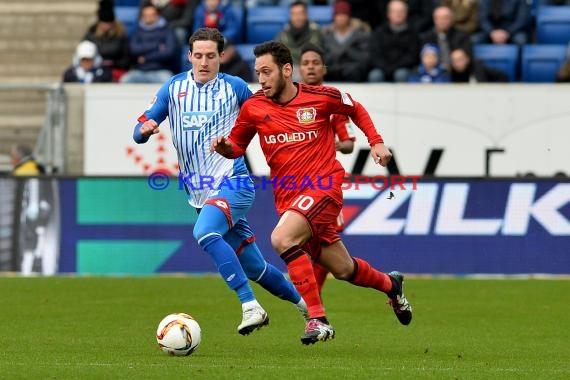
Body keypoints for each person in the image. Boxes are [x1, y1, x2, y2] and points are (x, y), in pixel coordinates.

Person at [212, 41, 413, 345]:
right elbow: (237, 146)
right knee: (344, 269)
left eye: (267, 72)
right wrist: (226, 149)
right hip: (289, 197)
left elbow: (355, 107)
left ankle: (318, 320)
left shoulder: (321, 97)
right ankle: (391, 285)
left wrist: (376, 141)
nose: (262, 79)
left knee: (282, 239)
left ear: (287, 70)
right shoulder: (254, 107)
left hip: (324, 186)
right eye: (258, 73)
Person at [132, 28, 308, 336]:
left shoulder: (235, 87)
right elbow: (140, 128)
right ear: (189, 56)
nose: (204, 62)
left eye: (210, 56)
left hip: (234, 182)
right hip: (200, 195)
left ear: (221, 57)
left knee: (204, 232)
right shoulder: (173, 89)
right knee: (256, 267)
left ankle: (250, 306)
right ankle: (310, 309)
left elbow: (267, 113)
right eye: (198, 55)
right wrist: (145, 129)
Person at [298, 43, 356, 293]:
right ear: (297, 68)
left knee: (324, 238)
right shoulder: (291, 99)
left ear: (324, 68)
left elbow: (348, 144)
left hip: (323, 181)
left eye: (315, 62)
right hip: (296, 181)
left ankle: (313, 296)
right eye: (306, 63)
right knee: (301, 240)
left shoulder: (333, 101)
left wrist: (327, 141)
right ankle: (310, 294)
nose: (310, 67)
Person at [121, 3, 179, 83]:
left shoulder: (167, 31)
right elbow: (133, 50)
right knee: (125, 80)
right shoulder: (137, 32)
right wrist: (157, 46)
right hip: (140, 71)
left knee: (169, 82)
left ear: (157, 15)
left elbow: (168, 53)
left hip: (161, 71)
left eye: (152, 15)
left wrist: (145, 58)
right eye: (146, 15)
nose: (149, 17)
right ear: (142, 16)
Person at [368, 0, 420, 83]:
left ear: (406, 13)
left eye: (401, 11)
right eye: (395, 11)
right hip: (382, 68)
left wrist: (394, 67)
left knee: (401, 74)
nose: (398, 14)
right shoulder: (379, 32)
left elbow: (412, 56)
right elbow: (375, 54)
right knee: (375, 75)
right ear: (388, 14)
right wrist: (386, 68)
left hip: (403, 68)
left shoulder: (413, 33)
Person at [321, 1, 370, 82]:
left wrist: (345, 50)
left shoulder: (360, 35)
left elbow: (364, 59)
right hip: (332, 73)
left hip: (353, 73)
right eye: (338, 15)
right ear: (334, 17)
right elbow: (324, 59)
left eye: (344, 14)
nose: (341, 18)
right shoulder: (327, 36)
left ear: (349, 17)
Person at [276, 0, 324, 80]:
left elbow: (319, 55)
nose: (297, 17)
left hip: (310, 70)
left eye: (300, 14)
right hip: (289, 71)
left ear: (306, 15)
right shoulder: (282, 35)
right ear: (290, 16)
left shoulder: (316, 32)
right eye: (294, 14)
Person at [83, 0, 130, 82]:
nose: (106, 26)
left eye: (108, 24)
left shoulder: (120, 34)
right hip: (96, 69)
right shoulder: (92, 33)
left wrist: (114, 63)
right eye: (104, 23)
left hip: (116, 69)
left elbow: (127, 57)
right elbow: (84, 50)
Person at [422, 5, 472, 70]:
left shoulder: (462, 36)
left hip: (457, 72)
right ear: (434, 20)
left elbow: (467, 56)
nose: (442, 21)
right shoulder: (427, 37)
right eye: (439, 18)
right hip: (434, 73)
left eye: (446, 18)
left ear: (452, 19)